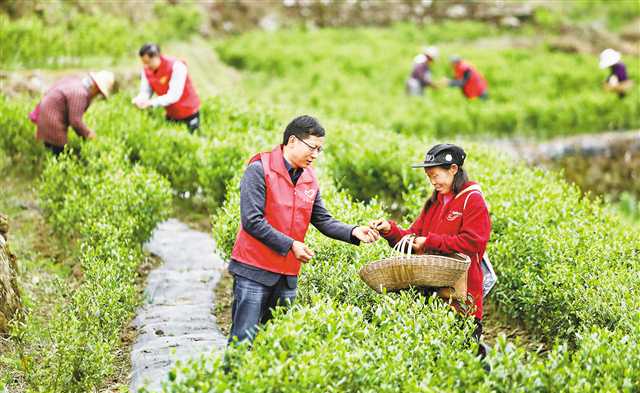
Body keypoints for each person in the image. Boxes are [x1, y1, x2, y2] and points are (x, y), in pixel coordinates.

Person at [227, 115, 380, 344]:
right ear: (292, 141)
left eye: (320, 150)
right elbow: (252, 221)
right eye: (312, 147)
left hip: (287, 275)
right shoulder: (259, 169)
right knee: (242, 340)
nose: (316, 155)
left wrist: (353, 231)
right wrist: (291, 245)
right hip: (254, 271)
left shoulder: (309, 178)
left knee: (277, 344)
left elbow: (322, 219)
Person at [369, 143, 491, 354]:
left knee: (466, 355)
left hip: (462, 296)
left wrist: (429, 242)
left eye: (436, 175)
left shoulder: (472, 200)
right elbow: (413, 236)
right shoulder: (434, 203)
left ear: (453, 169)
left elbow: (473, 242)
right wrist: (390, 229)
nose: (433, 182)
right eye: (429, 177)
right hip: (433, 295)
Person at [33, 71, 114, 156]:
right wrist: (89, 135)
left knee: (51, 151)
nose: (97, 95)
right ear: (95, 87)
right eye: (98, 92)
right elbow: (75, 121)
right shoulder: (80, 94)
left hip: (44, 116)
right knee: (61, 153)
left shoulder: (76, 83)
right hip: (52, 122)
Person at [132, 43, 201, 133]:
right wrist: (140, 99)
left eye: (148, 62)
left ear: (156, 56)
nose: (146, 66)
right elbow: (146, 91)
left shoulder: (177, 66)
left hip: (188, 111)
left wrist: (151, 103)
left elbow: (174, 95)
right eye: (144, 63)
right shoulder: (146, 70)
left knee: (192, 136)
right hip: (171, 113)